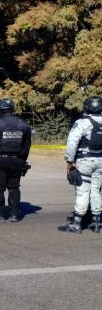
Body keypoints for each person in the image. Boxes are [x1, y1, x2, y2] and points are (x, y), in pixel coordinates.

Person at [59, 96, 102, 233]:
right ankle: (96, 222)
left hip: (85, 160)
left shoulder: (82, 122)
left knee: (82, 190)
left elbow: (72, 143)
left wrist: (69, 161)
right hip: (100, 161)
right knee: (96, 190)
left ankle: (77, 223)